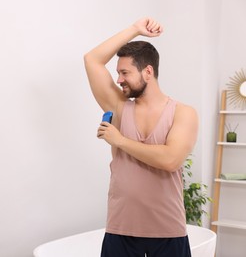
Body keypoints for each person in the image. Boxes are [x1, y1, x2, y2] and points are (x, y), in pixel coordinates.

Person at [84, 17, 198, 257]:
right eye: (117, 72)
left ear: (148, 72)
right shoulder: (119, 106)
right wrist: (135, 29)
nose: (119, 79)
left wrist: (120, 140)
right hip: (120, 230)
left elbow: (170, 160)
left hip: (168, 232)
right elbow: (92, 60)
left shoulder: (183, 113)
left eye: (125, 72)